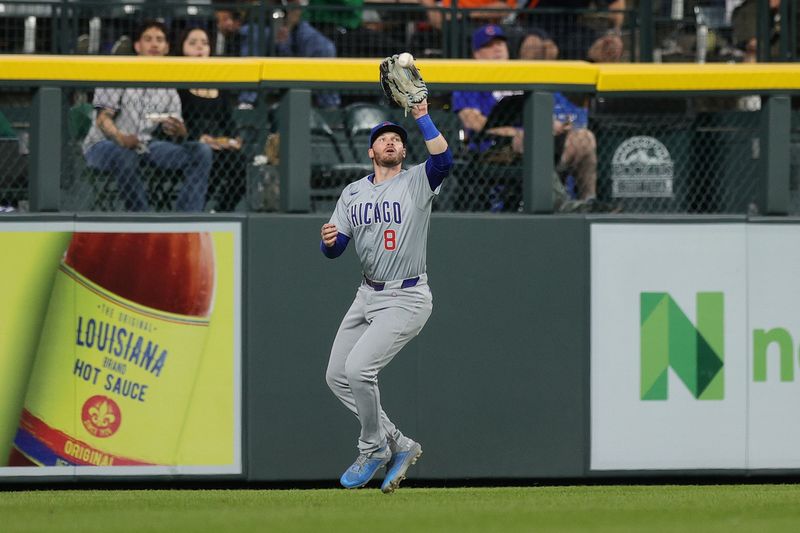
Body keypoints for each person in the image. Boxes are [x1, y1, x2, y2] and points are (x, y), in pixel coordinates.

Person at [320, 100, 452, 492]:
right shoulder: (352, 193)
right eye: (383, 139)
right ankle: (399, 443)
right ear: (371, 151)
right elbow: (336, 248)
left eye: (396, 139)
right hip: (367, 293)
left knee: (359, 369)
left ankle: (373, 447)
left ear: (404, 151)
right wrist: (328, 242)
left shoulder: (416, 181)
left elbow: (443, 162)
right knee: (336, 376)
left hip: (407, 295)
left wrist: (421, 117)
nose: (390, 142)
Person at [452, 25, 598, 208]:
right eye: (488, 46)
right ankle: (557, 201)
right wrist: (512, 132)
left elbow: (538, 112)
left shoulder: (521, 76)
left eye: (500, 44)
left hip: (535, 141)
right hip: (494, 147)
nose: (497, 49)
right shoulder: (468, 80)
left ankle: (589, 201)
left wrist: (554, 126)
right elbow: (472, 121)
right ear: (477, 54)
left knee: (584, 138)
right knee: (526, 139)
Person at [82, 20, 212, 212]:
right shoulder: (118, 72)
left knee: (201, 152)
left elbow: (176, 129)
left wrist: (178, 130)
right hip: (104, 145)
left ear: (167, 47)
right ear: (137, 46)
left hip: (145, 145)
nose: (154, 44)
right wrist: (121, 138)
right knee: (124, 154)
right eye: (148, 39)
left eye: (159, 40)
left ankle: (186, 219)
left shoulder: (169, 83)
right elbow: (103, 119)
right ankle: (142, 220)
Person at [215, 1, 340, 108]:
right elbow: (221, 10)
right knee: (256, 36)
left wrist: (287, 28)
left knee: (323, 46)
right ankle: (247, 101)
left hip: (284, 25)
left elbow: (295, 7)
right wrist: (229, 21)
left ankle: (330, 106)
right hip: (252, 26)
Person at [176, 27, 248, 212]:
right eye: (193, 43)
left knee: (239, 163)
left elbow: (227, 120)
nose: (200, 47)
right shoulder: (177, 85)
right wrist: (200, 138)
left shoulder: (218, 84)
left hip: (219, 143)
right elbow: (177, 121)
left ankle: (220, 212)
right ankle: (195, 211)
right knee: (206, 156)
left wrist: (234, 139)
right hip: (191, 142)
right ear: (182, 49)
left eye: (204, 43)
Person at [522, 0, 625, 61]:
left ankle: (598, 97)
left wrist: (614, 34)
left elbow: (616, 3)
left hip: (572, 30)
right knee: (534, 47)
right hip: (535, 27)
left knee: (609, 48)